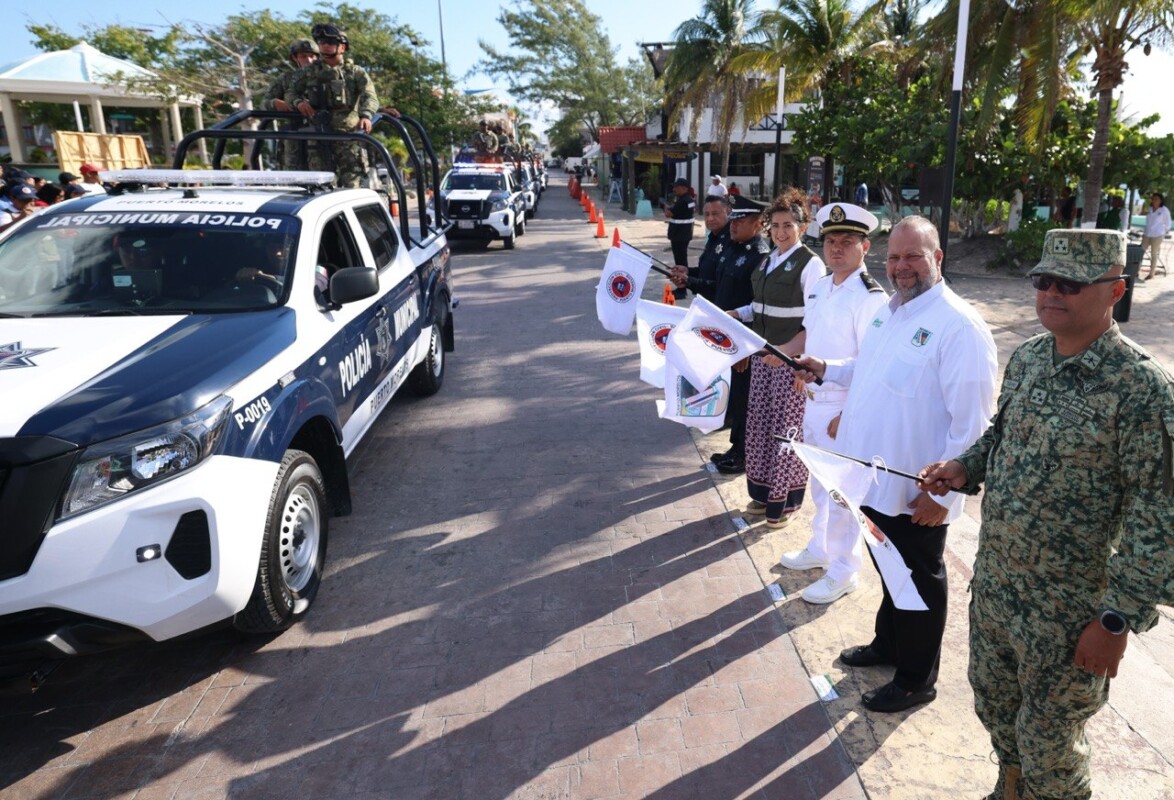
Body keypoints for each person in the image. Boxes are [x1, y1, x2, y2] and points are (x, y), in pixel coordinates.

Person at [918, 228, 1174, 800]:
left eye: (1071, 283)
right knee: (997, 710)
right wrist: (965, 466)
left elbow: (1159, 519)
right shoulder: (1032, 358)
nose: (1051, 293)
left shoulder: (1140, 388)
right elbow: (1003, 437)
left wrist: (1117, 621)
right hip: (1000, 589)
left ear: (1115, 291)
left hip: (1071, 611)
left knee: (1050, 746)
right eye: (1043, 280)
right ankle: (1010, 790)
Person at [794, 216, 998, 713]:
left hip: (917, 493)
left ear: (938, 259)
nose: (901, 267)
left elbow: (974, 426)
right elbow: (868, 370)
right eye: (895, 257)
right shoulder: (892, 311)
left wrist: (942, 497)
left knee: (919, 584)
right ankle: (889, 646)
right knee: (893, 574)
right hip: (873, 484)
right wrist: (827, 368)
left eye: (914, 256)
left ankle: (915, 680)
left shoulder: (959, 326)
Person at [778, 202, 888, 604]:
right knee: (822, 487)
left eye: (847, 241)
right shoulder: (821, 287)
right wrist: (795, 367)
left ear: (865, 248)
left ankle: (844, 570)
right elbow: (812, 336)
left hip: (844, 405)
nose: (836, 248)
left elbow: (872, 364)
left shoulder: (871, 298)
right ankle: (821, 548)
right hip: (813, 399)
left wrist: (850, 413)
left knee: (844, 492)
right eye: (831, 241)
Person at [734, 188, 825, 520]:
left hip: (790, 364)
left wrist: (792, 357)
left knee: (787, 433)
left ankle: (784, 502)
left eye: (788, 225)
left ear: (802, 227)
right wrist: (737, 314)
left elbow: (817, 321)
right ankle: (761, 492)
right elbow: (759, 306)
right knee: (760, 426)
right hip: (762, 358)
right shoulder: (768, 259)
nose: (781, 232)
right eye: (775, 226)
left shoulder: (810, 264)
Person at [708, 193, 772, 475]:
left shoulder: (759, 256)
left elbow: (758, 306)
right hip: (726, 335)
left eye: (740, 220)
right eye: (732, 219)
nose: (732, 225)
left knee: (746, 399)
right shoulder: (735, 247)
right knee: (736, 397)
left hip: (743, 341)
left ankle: (744, 455)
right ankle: (736, 448)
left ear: (757, 225)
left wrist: (745, 347)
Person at [286, 22, 380, 189]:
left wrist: (366, 115)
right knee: (319, 188)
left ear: (342, 47)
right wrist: (298, 102)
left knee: (352, 187)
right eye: (322, 43)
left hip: (349, 137)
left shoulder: (355, 72)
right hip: (319, 136)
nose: (325, 46)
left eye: (330, 43)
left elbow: (370, 96)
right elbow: (290, 92)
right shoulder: (308, 72)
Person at [262, 38, 320, 170]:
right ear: (295, 58)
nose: (309, 60)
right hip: (293, 135)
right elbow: (264, 103)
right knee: (293, 176)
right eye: (303, 56)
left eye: (312, 56)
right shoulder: (286, 78)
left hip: (320, 133)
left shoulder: (325, 76)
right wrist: (275, 103)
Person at [669, 194, 730, 303]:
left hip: (721, 307)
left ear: (728, 212)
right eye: (707, 214)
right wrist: (688, 271)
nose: (710, 218)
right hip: (706, 302)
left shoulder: (732, 239)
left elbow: (723, 284)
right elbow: (707, 271)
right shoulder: (713, 237)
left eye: (715, 214)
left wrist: (689, 281)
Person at [663, 177, 696, 272]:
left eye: (676, 187)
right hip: (685, 233)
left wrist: (666, 207)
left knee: (680, 261)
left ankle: (682, 284)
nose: (674, 189)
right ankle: (683, 283)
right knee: (682, 259)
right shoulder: (690, 200)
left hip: (678, 235)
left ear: (684, 188)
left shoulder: (682, 201)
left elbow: (668, 214)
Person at [1142, 192, 1170, 280]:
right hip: (1147, 234)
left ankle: (1151, 274)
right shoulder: (1150, 208)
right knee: (1140, 252)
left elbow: (1168, 223)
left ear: (1161, 201)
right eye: (1153, 199)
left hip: (1157, 235)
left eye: (1156, 199)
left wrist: (1163, 232)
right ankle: (1135, 272)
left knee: (1154, 254)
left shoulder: (1164, 210)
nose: (1154, 200)